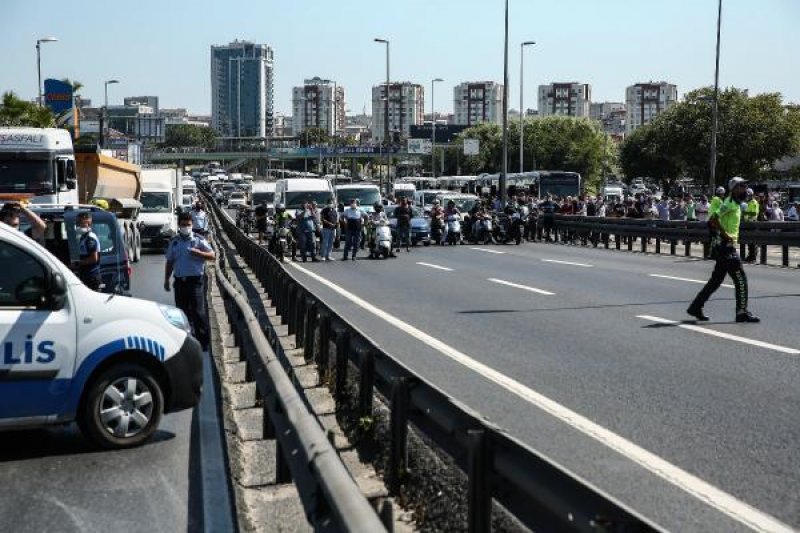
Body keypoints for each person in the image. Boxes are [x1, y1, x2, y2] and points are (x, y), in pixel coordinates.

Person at [687, 177, 759, 323]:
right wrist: (725, 235)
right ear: (734, 188)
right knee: (741, 279)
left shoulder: (736, 204)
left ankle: (695, 307)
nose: (745, 188)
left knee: (715, 281)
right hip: (726, 247)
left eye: (746, 185)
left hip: (724, 247)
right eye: (742, 186)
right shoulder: (729, 203)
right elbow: (713, 219)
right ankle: (741, 312)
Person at [164, 212, 216, 349]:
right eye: (183, 225)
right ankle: (184, 342)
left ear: (192, 225)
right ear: (179, 225)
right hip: (180, 282)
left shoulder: (199, 240)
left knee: (198, 312)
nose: (186, 227)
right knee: (181, 313)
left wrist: (199, 253)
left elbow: (212, 255)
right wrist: (166, 280)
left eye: (188, 225)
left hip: (195, 282)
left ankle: (203, 343)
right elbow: (169, 262)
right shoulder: (174, 242)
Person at [70, 212, 103, 291]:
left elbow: (94, 258)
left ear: (88, 223)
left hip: (91, 277)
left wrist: (77, 263)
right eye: (77, 222)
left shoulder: (90, 238)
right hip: (85, 276)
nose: (78, 225)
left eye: (80, 222)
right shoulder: (83, 236)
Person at [741, 188, 760, 262]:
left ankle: (753, 257)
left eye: (748, 195)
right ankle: (750, 256)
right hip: (748, 224)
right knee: (749, 242)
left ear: (751, 195)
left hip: (752, 224)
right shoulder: (747, 203)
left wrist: (744, 213)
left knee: (752, 242)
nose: (747, 197)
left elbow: (754, 213)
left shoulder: (754, 202)